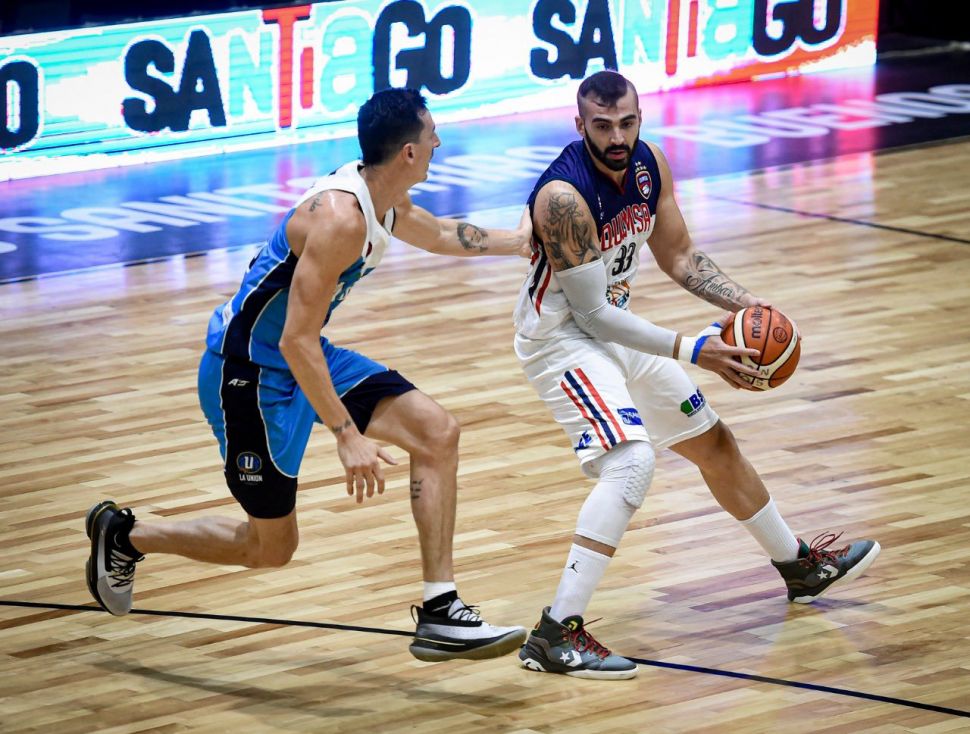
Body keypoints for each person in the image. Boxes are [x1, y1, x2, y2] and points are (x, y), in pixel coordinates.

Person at [85, 88, 529, 662]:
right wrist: (347, 435)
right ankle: (124, 534)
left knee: (436, 432)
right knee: (271, 548)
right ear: (409, 153)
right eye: (431, 135)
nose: (438, 142)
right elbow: (293, 339)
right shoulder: (341, 219)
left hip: (303, 356)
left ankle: (441, 608)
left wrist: (522, 244)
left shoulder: (382, 198)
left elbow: (441, 234)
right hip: (247, 374)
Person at [512, 70, 880, 680]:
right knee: (631, 463)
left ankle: (798, 566)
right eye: (602, 126)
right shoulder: (562, 198)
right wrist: (694, 349)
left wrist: (749, 307)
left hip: (617, 328)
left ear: (640, 118)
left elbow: (679, 255)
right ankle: (555, 634)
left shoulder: (649, 163)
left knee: (713, 442)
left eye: (627, 123)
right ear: (579, 126)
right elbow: (592, 315)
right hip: (562, 341)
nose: (617, 137)